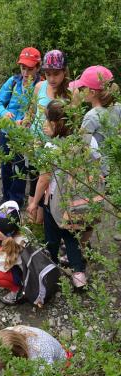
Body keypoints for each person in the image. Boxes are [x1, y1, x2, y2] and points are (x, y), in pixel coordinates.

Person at [27, 100, 87, 288]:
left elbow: (44, 179)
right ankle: (79, 277)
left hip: (56, 201)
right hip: (79, 200)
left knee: (52, 237)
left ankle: (50, 268)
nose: (44, 125)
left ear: (55, 124)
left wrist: (34, 203)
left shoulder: (52, 148)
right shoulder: (84, 141)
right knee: (72, 237)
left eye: (46, 121)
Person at [69, 66, 121, 249]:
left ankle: (81, 244)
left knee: (93, 205)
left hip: (101, 169)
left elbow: (81, 145)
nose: (79, 92)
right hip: (116, 163)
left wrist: (73, 109)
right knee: (117, 196)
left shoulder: (91, 116)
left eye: (82, 89)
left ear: (91, 92)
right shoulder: (117, 108)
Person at [26, 49, 71, 224]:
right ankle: (35, 219)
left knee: (51, 186)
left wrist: (55, 131)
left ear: (64, 71)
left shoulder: (70, 93)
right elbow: (32, 110)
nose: (52, 78)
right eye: (48, 74)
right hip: (36, 143)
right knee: (35, 179)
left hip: (55, 147)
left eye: (56, 74)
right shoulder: (39, 87)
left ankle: (50, 221)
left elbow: (72, 125)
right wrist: (26, 122)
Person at [0, 47, 41, 206]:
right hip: (7, 131)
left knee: (21, 168)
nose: (26, 72)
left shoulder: (40, 86)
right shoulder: (13, 81)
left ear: (38, 67)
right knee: (6, 167)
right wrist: (4, 113)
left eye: (30, 69)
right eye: (23, 68)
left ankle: (16, 201)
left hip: (26, 135)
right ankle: (6, 198)